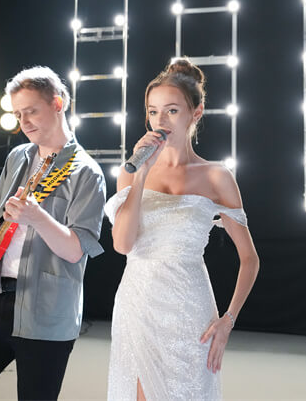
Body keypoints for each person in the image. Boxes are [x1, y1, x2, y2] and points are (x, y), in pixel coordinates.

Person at [0, 66, 106, 400]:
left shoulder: (86, 172)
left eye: (31, 111)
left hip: (46, 311)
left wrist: (37, 217)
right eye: (17, 114)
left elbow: (76, 250)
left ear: (57, 104)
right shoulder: (18, 157)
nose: (24, 122)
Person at [105, 58, 260, 400]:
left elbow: (250, 259)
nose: (160, 121)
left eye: (172, 111)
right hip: (138, 303)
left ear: (196, 113)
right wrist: (141, 175)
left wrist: (228, 320)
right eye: (153, 111)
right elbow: (122, 245)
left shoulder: (216, 176)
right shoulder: (131, 172)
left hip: (190, 309)